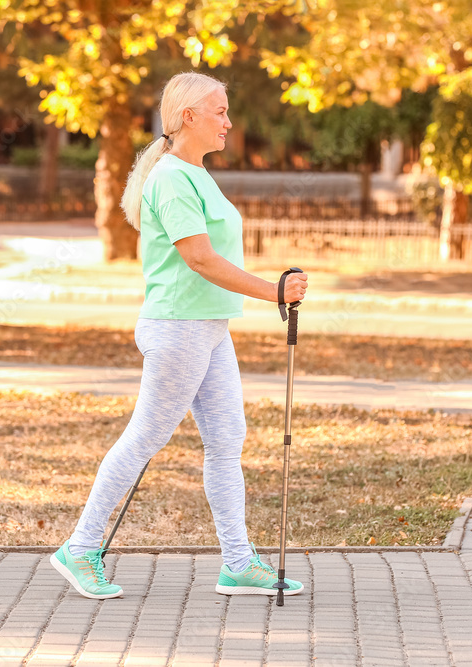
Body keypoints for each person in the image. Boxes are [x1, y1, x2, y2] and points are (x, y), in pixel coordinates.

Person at [50, 71, 308, 600]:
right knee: (145, 437)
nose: (228, 123)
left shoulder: (195, 172)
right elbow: (198, 258)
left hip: (209, 327)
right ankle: (79, 548)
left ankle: (237, 563)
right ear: (188, 116)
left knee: (226, 440)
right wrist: (274, 292)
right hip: (178, 328)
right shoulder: (170, 178)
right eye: (219, 112)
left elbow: (210, 255)